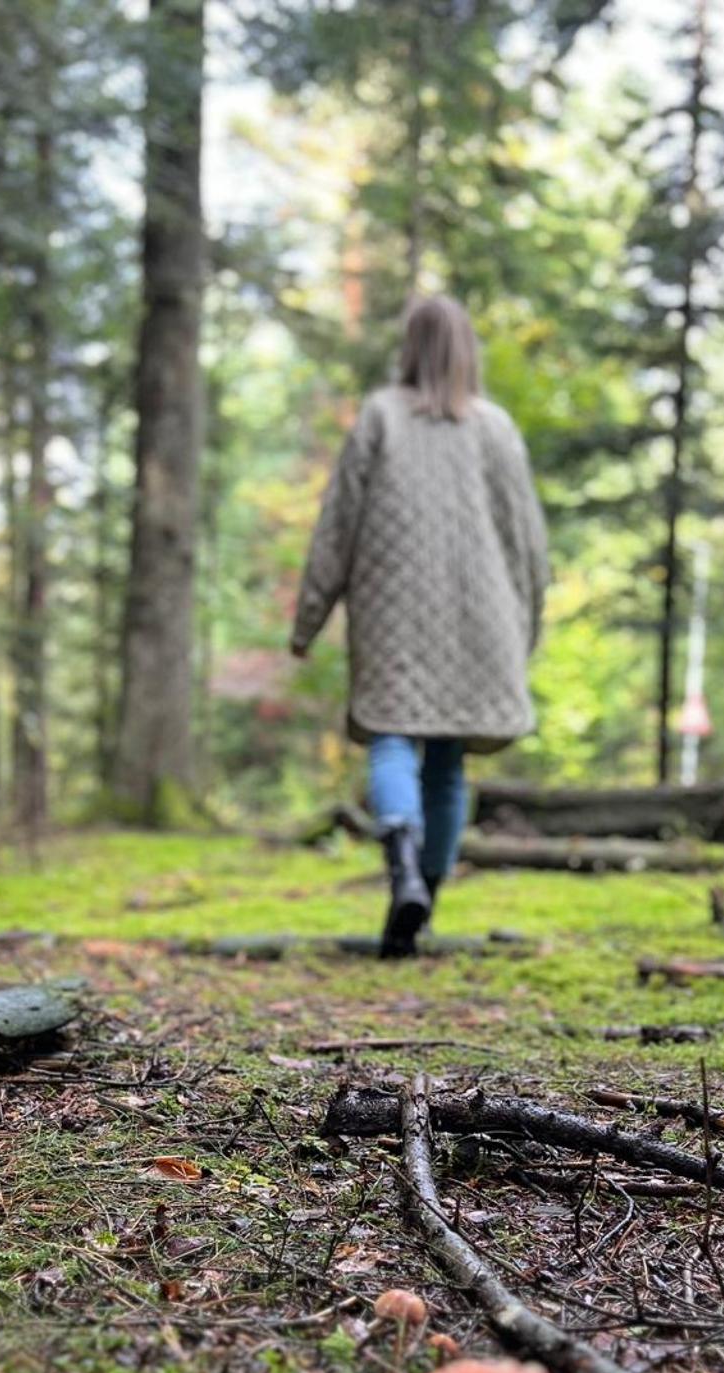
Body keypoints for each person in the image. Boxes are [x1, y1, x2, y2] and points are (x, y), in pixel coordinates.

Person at [290, 295, 549, 957]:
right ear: (468, 352)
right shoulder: (496, 428)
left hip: (390, 611)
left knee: (391, 739)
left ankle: (401, 869)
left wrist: (310, 616)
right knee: (448, 767)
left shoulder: (380, 415)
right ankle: (424, 899)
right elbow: (528, 544)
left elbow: (337, 525)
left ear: (409, 347)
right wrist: (528, 627)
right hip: (481, 615)